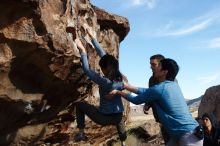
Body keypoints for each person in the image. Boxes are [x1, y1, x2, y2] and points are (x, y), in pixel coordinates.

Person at [109, 58, 203, 146]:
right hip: (185, 132)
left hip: (188, 136)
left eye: (159, 66)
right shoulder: (173, 85)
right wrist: (126, 86)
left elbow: (136, 100)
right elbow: (146, 92)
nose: (155, 68)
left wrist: (118, 92)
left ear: (164, 72)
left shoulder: (161, 88)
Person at [68, 26, 127, 146]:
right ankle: (123, 142)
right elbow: (103, 55)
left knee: (79, 105)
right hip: (117, 117)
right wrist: (93, 37)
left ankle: (81, 132)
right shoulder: (120, 77)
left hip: (104, 118)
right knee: (119, 119)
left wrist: (82, 51)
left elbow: (87, 70)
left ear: (105, 69)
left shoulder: (105, 82)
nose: (101, 70)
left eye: (102, 68)